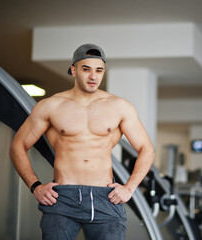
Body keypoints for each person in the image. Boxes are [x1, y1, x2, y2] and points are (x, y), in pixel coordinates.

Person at [9, 43, 155, 240]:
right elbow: (18, 146)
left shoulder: (120, 107)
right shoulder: (51, 106)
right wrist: (35, 186)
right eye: (86, 69)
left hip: (106, 198)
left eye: (99, 70)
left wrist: (129, 188)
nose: (93, 76)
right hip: (62, 198)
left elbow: (147, 149)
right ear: (73, 70)